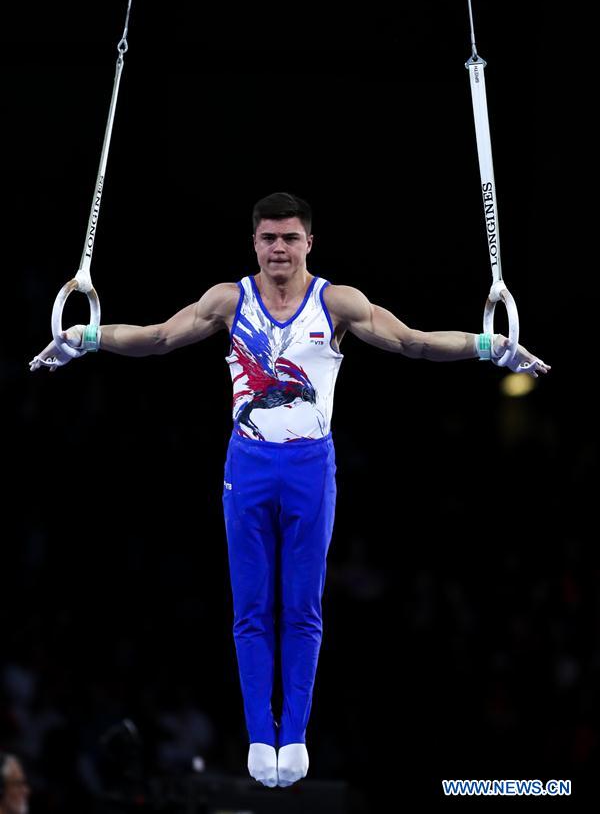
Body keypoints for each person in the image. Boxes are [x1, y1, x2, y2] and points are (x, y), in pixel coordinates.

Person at [30, 192, 550, 788]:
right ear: (254, 243)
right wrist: (84, 337)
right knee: (252, 607)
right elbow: (157, 337)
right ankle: (260, 735)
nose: (280, 248)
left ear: (309, 243)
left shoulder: (337, 303)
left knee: (301, 607)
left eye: (291, 238)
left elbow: (413, 342)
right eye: (269, 238)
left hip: (310, 469)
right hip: (246, 466)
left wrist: (491, 347)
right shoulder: (229, 300)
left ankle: (294, 735)